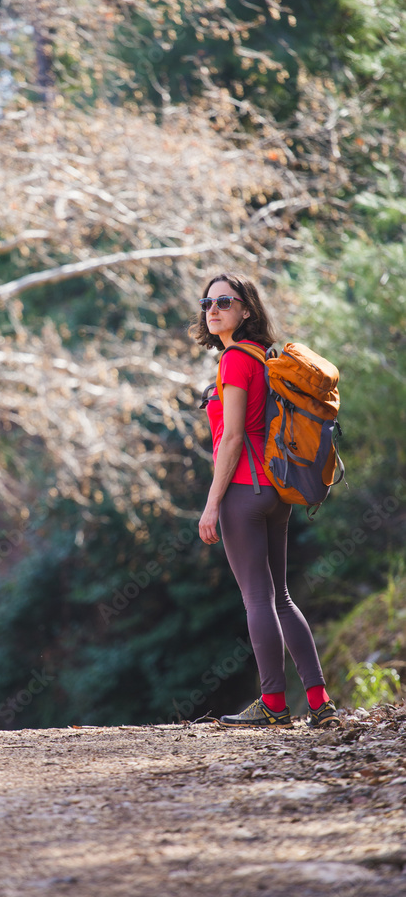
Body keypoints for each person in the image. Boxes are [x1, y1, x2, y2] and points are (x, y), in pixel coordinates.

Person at [193, 272, 339, 729]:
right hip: (276, 490)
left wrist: (212, 503)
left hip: (244, 489)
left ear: (246, 310)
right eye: (208, 303)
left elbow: (234, 437)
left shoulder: (236, 359)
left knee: (258, 599)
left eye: (225, 302)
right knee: (282, 598)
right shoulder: (262, 356)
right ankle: (319, 700)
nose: (213, 310)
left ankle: (273, 703)